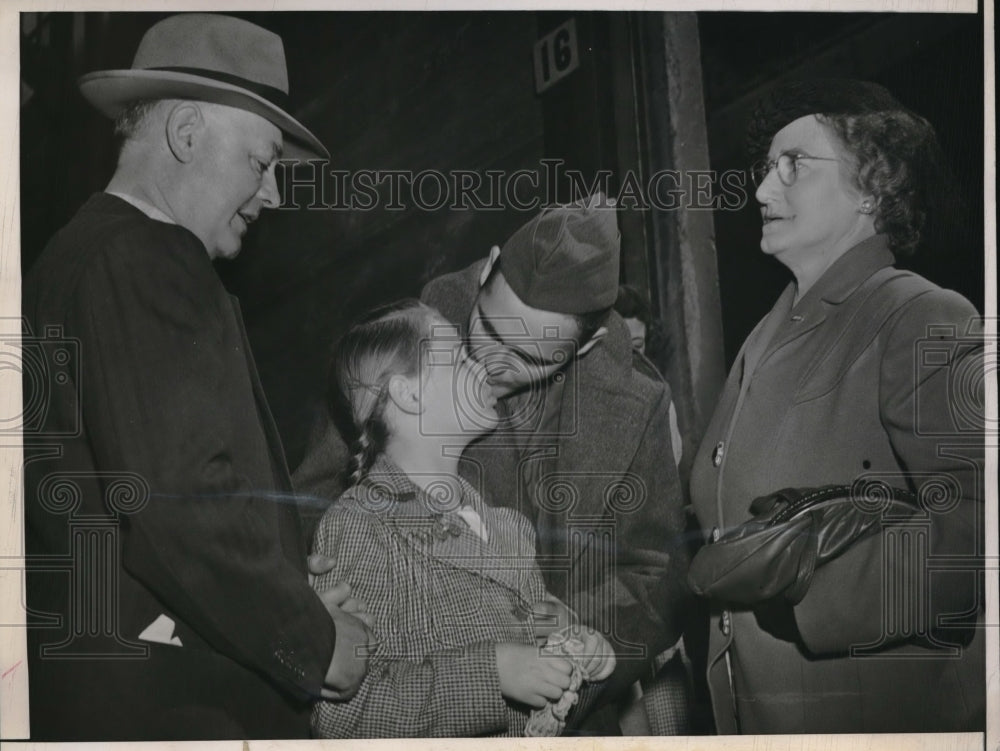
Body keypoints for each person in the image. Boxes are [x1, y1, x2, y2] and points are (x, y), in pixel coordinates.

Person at [23, 14, 371, 740]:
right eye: (260, 160)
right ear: (185, 133)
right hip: (175, 704)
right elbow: (181, 501)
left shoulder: (75, 258)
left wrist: (284, 586)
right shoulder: (148, 257)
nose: (272, 194)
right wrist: (316, 640)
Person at [688, 79, 985, 733]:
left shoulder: (916, 313)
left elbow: (978, 537)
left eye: (793, 165)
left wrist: (814, 596)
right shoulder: (769, 333)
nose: (764, 190)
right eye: (766, 169)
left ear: (872, 186)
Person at [420, 194, 691, 734]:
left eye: (528, 359)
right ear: (488, 268)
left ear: (586, 345)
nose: (493, 365)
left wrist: (575, 645)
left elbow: (656, 577)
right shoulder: (407, 337)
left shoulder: (639, 407)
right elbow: (327, 503)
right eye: (489, 331)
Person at [309, 300, 616, 737]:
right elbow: (343, 718)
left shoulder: (509, 528)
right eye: (457, 357)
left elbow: (537, 656)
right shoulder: (359, 524)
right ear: (407, 393)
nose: (482, 366)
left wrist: (578, 651)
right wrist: (491, 674)